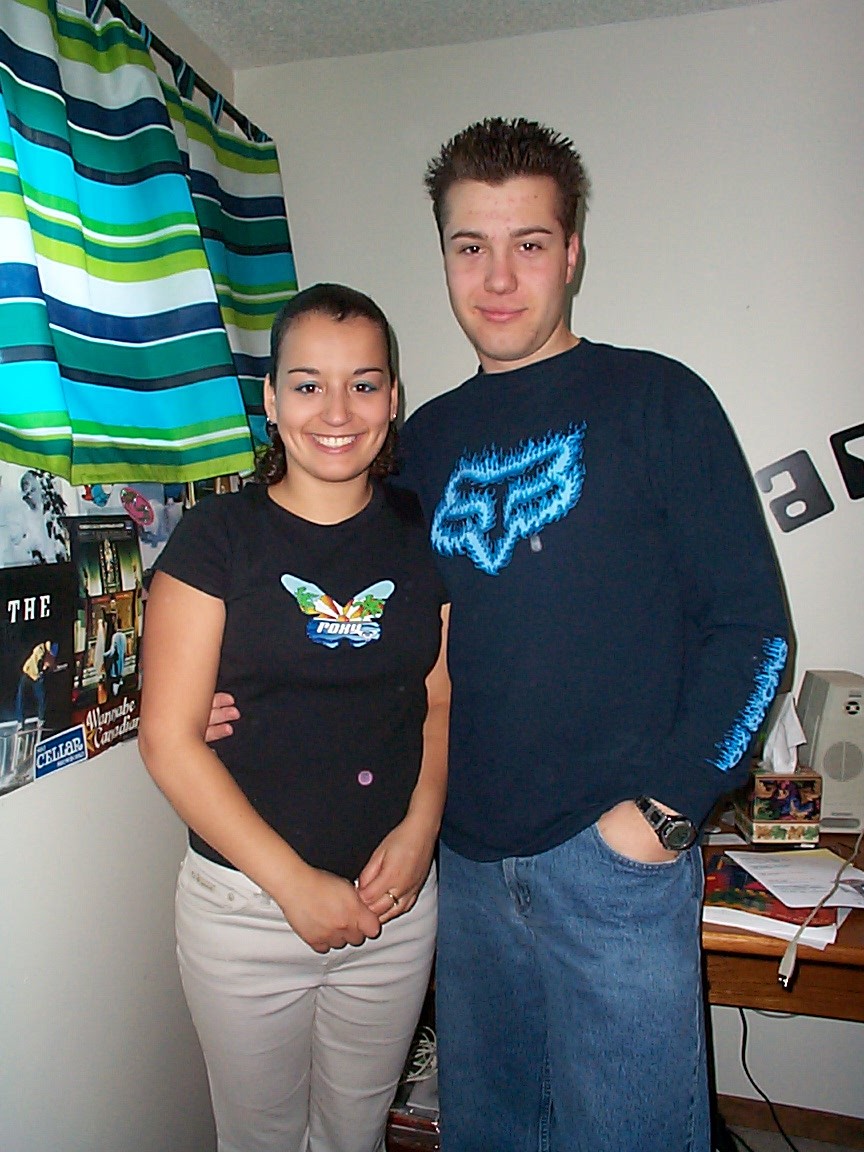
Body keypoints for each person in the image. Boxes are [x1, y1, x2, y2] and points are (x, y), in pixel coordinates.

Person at [207, 119, 789, 1152]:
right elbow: (374, 631)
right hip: (463, 872)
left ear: (572, 253)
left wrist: (665, 812)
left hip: (612, 865)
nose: (499, 276)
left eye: (529, 242)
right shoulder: (418, 441)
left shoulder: (659, 400)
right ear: (444, 257)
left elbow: (756, 632)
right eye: (470, 245)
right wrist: (243, 695)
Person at [139, 283, 450, 1152]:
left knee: (356, 1135)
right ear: (272, 401)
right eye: (308, 384)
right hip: (246, 910)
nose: (337, 411)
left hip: (394, 905)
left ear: (393, 398)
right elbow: (167, 741)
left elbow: (437, 696)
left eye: (364, 383)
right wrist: (293, 885)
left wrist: (422, 829)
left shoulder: (422, 534)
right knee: (260, 1139)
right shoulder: (216, 538)